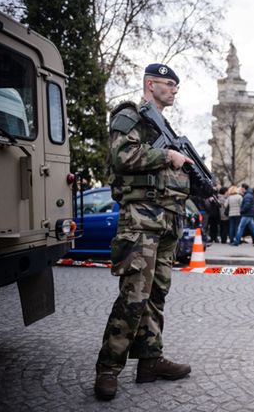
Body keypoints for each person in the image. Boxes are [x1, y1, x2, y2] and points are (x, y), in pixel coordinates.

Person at [95, 63, 193, 401]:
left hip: (167, 221)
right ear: (150, 84)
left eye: (175, 85)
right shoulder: (130, 113)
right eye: (168, 84)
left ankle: (150, 361)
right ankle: (108, 369)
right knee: (133, 296)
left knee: (156, 295)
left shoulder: (164, 125)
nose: (174, 89)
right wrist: (167, 155)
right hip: (140, 219)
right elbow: (122, 155)